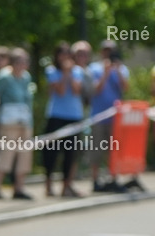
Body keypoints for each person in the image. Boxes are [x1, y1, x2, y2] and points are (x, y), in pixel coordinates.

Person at [0, 48, 34, 200]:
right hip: (8, 122)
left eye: (25, 61)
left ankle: (19, 188)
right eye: (19, 61)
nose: (22, 64)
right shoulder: (4, 77)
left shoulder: (27, 77)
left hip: (25, 121)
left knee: (24, 155)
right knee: (6, 153)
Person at [43, 42, 85, 197]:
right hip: (56, 116)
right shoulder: (52, 71)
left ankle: (67, 185)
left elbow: (76, 90)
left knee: (71, 153)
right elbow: (60, 91)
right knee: (51, 152)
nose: (65, 57)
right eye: (62, 54)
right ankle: (48, 185)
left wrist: (70, 72)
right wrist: (65, 73)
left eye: (67, 54)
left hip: (74, 116)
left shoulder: (78, 71)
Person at [88, 40, 130, 193]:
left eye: (111, 51)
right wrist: (106, 72)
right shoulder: (94, 68)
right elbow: (95, 90)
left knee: (114, 150)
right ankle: (95, 180)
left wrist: (116, 70)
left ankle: (113, 178)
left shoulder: (121, 68)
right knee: (97, 149)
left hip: (115, 119)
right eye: (106, 50)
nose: (108, 53)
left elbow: (125, 88)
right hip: (98, 116)